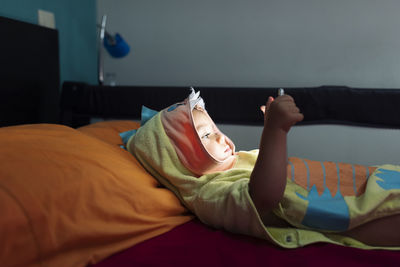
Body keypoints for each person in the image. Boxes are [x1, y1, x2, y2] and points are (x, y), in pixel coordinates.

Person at [127, 89, 400, 249]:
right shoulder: (207, 193)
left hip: (371, 181)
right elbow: (264, 197)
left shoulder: (237, 161)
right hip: (355, 214)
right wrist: (275, 131)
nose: (221, 137)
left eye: (214, 128)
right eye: (206, 137)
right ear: (174, 165)